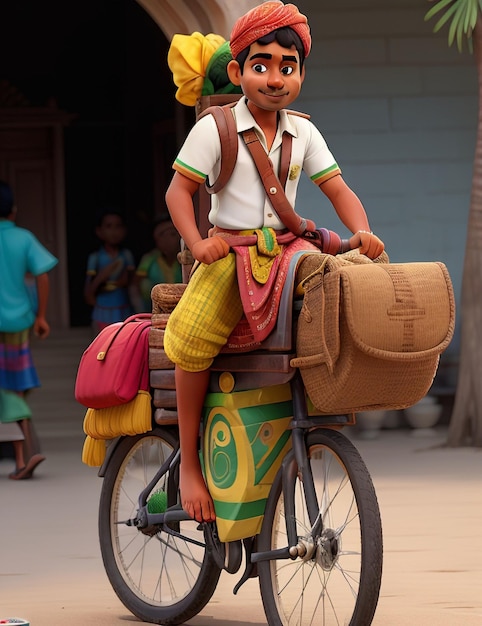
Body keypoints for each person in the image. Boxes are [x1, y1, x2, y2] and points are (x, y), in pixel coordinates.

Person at [164, 1, 385, 523]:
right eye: (261, 65)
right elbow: (178, 192)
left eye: (288, 67)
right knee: (191, 338)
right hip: (230, 250)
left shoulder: (304, 132)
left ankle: (325, 401)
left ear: (302, 74)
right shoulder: (214, 129)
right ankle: (191, 464)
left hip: (289, 247)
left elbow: (337, 188)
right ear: (238, 71)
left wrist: (362, 232)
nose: (275, 78)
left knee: (343, 283)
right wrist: (198, 245)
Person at [0, 179, 58, 479]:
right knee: (15, 384)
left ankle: (25, 455)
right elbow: (42, 274)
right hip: (18, 322)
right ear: (13, 209)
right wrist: (41, 316)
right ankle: (24, 455)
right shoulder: (23, 238)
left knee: (10, 389)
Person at [84, 210, 135, 334]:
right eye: (109, 226)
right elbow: (88, 289)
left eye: (118, 226)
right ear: (99, 231)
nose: (114, 231)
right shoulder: (95, 257)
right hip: (102, 308)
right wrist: (101, 278)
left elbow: (131, 283)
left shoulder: (126, 255)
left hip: (123, 306)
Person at [132, 216, 182, 312]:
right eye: (162, 235)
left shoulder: (184, 258)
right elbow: (136, 283)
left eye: (172, 234)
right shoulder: (149, 259)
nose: (168, 239)